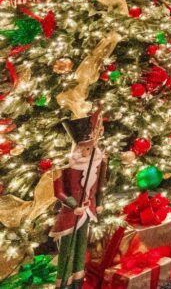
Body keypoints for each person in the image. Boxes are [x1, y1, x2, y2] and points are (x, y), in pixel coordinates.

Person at [51, 113, 107, 289]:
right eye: (83, 148)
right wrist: (74, 205)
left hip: (88, 210)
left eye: (90, 148)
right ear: (76, 147)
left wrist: (99, 202)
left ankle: (78, 279)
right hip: (70, 214)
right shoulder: (65, 167)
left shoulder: (98, 163)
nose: (86, 152)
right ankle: (64, 281)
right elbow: (58, 192)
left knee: (82, 245)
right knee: (67, 248)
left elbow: (99, 187)